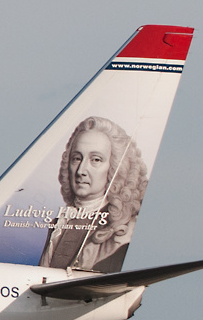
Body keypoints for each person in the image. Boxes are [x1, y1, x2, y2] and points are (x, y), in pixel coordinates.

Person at [38, 116, 147, 272]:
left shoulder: (121, 230)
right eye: (76, 158)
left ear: (115, 168)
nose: (81, 171)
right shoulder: (59, 224)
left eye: (95, 160)